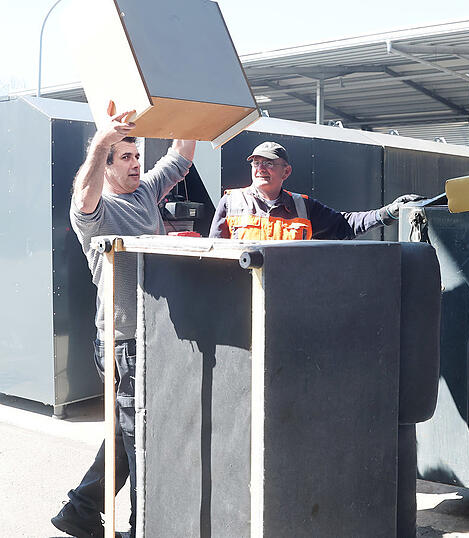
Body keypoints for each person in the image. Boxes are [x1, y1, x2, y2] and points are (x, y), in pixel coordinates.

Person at [52, 105, 196, 538]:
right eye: (126, 158)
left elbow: (182, 156)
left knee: (123, 434)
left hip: (152, 338)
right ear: (107, 167)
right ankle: (142, 528)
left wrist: (183, 110)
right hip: (124, 342)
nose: (136, 165)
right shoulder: (94, 214)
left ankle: (79, 509)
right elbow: (83, 196)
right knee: (141, 438)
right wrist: (100, 142)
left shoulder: (146, 193)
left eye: (138, 157)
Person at [208, 141, 422, 240]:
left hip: (292, 298)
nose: (261, 169)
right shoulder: (231, 203)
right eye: (256, 163)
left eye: (269, 164)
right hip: (243, 300)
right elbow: (214, 255)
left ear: (286, 171)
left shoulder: (303, 206)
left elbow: (345, 224)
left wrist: (389, 212)